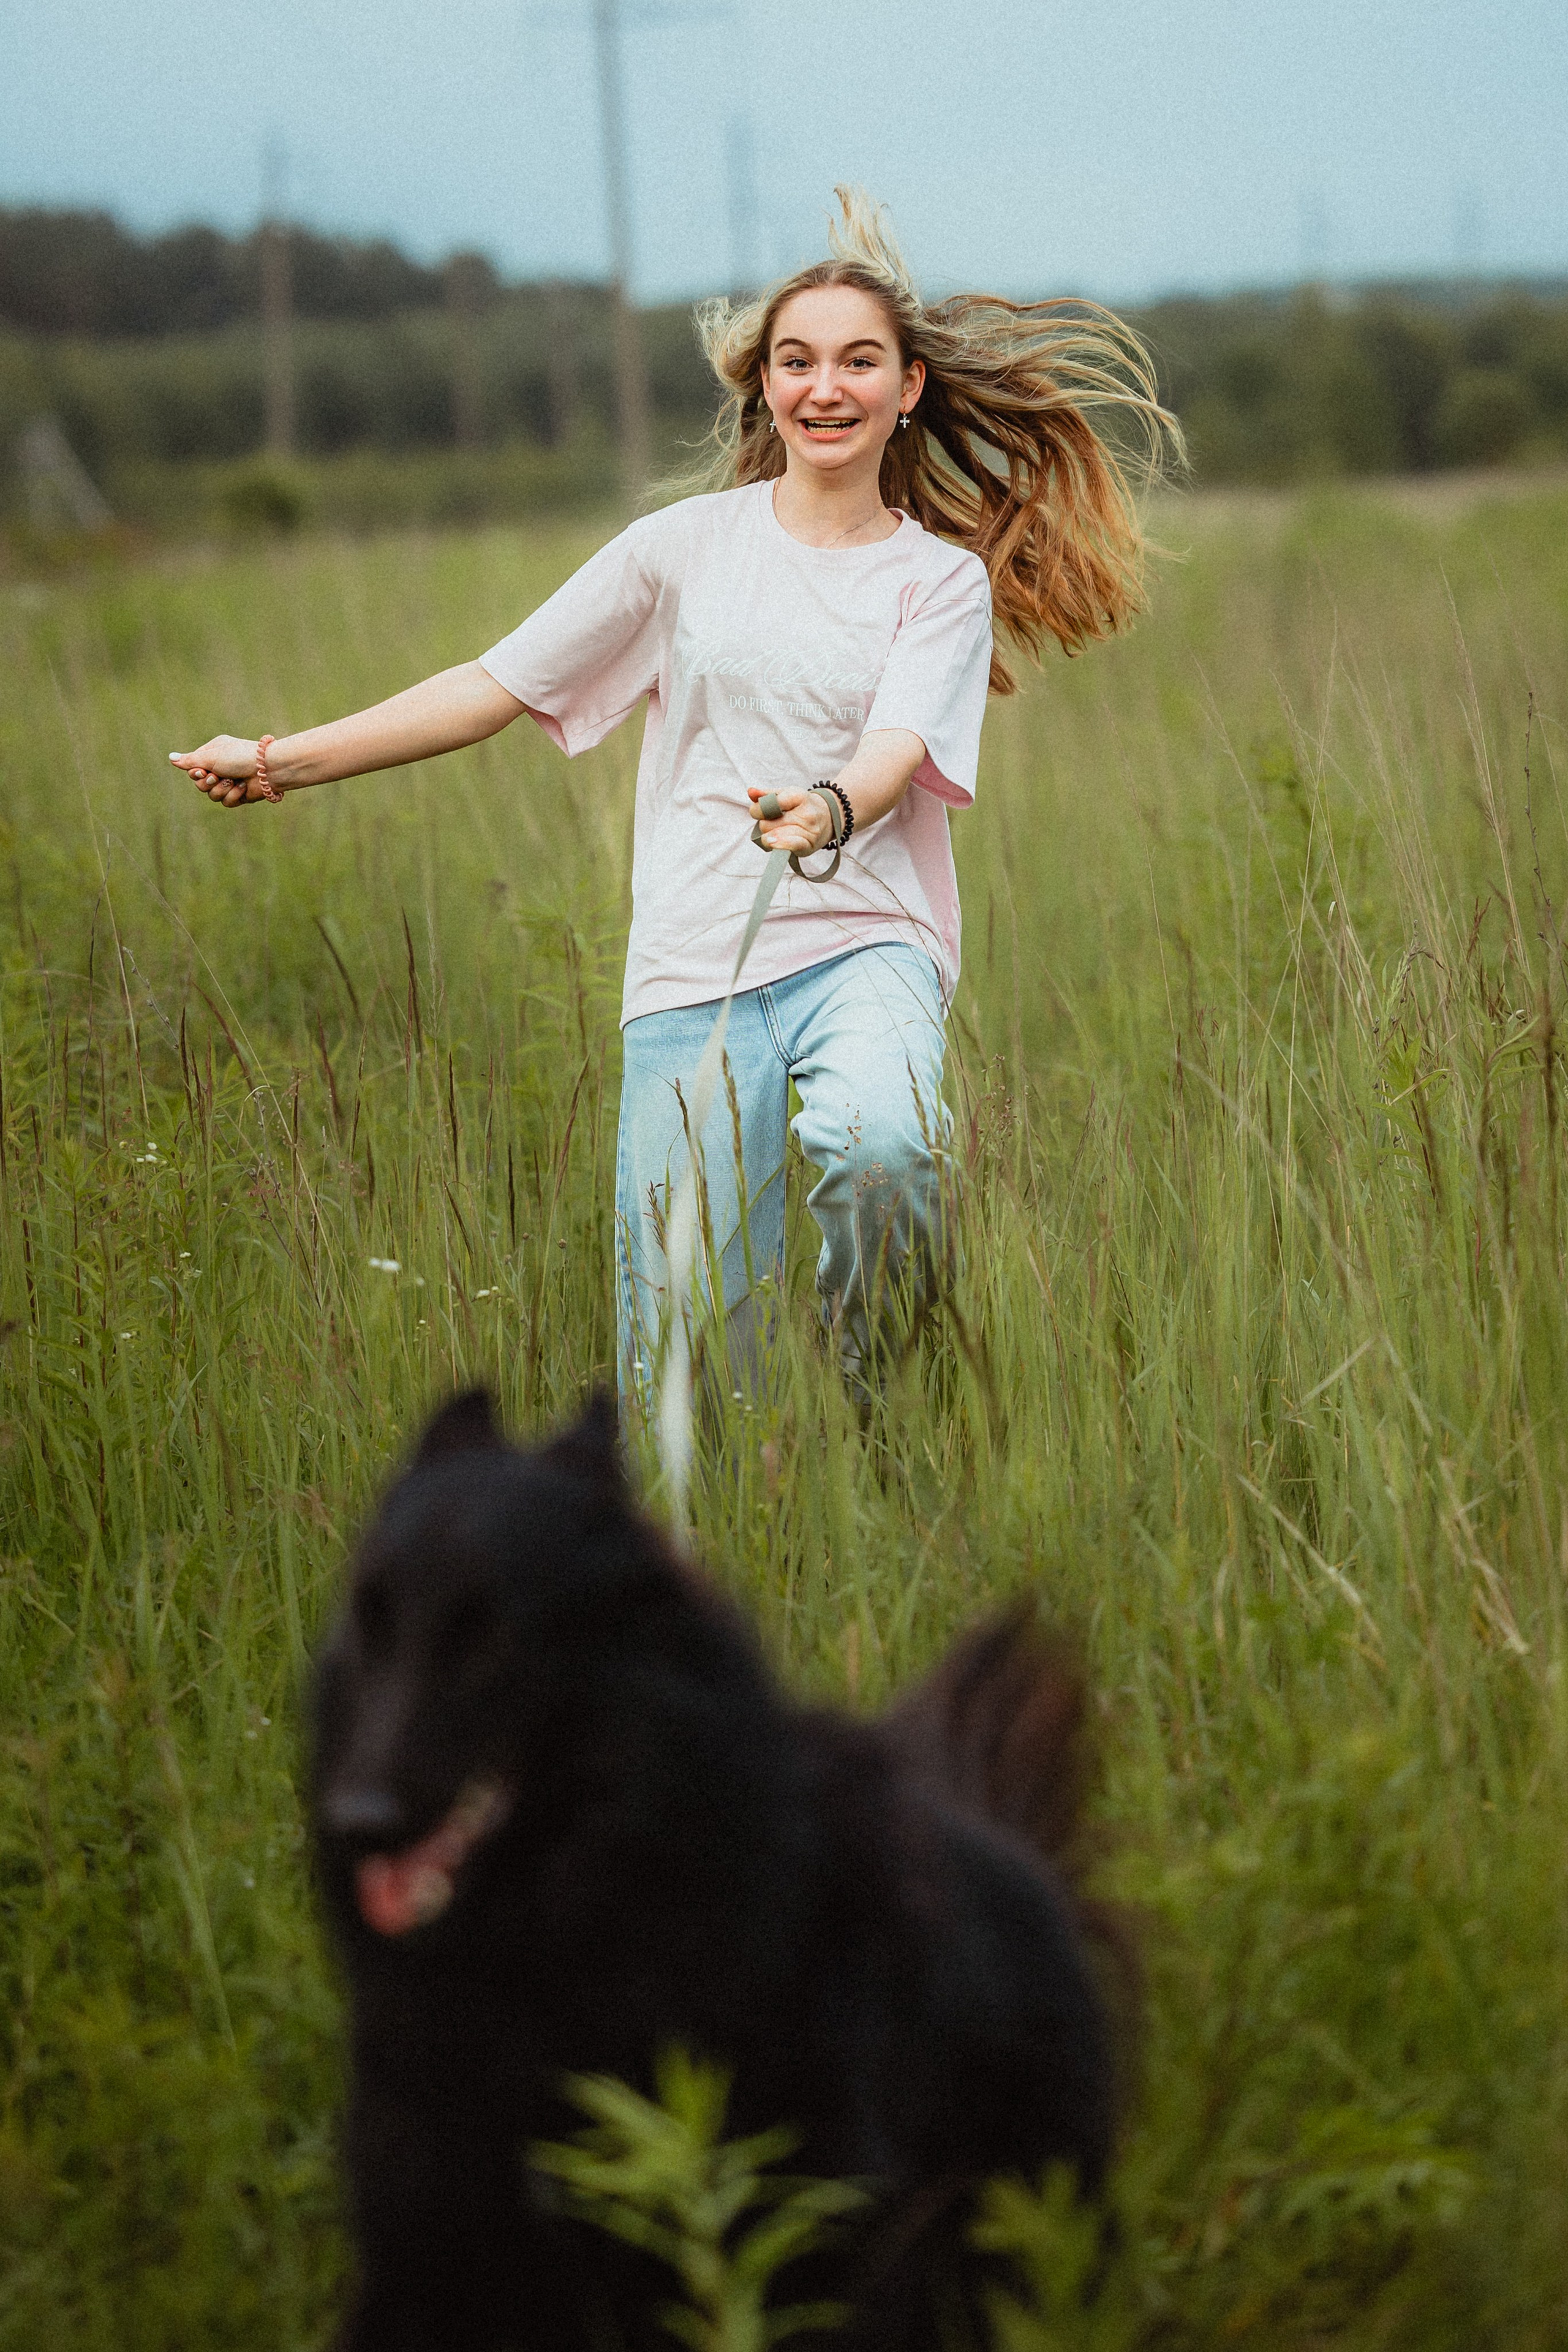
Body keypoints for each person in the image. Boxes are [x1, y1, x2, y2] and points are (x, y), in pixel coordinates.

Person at [172, 189, 1177, 1409]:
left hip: (867, 944)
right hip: (694, 965)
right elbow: (493, 685)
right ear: (763, 386)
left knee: (885, 1151)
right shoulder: (680, 551)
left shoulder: (938, 584)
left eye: (858, 362)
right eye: (796, 361)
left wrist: (827, 809)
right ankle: (736, 1490)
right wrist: (279, 759)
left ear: (907, 387)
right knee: (692, 1359)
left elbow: (895, 748)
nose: (825, 387)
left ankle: (870, 1408)